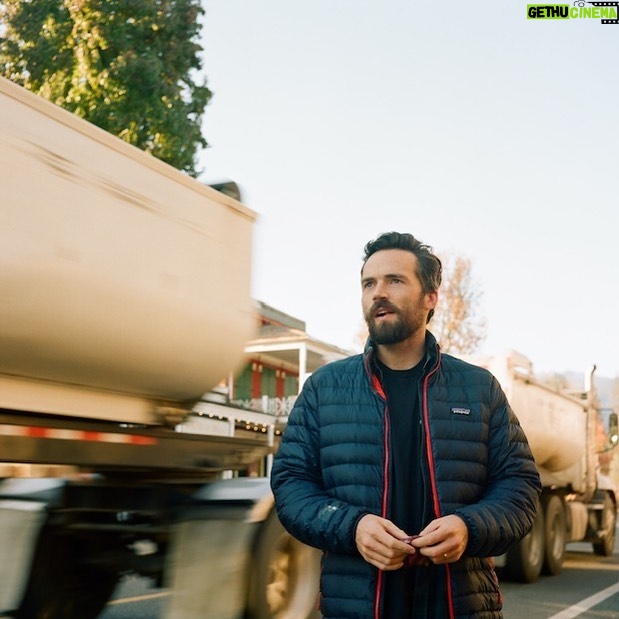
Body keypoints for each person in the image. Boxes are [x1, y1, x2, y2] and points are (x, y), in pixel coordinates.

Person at [270, 231, 542, 619]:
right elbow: (291, 485)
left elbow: (520, 486)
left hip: (459, 605)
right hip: (358, 605)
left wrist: (469, 528)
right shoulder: (323, 389)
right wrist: (353, 526)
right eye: (369, 283)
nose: (378, 292)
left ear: (430, 298)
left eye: (394, 281)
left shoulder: (479, 388)